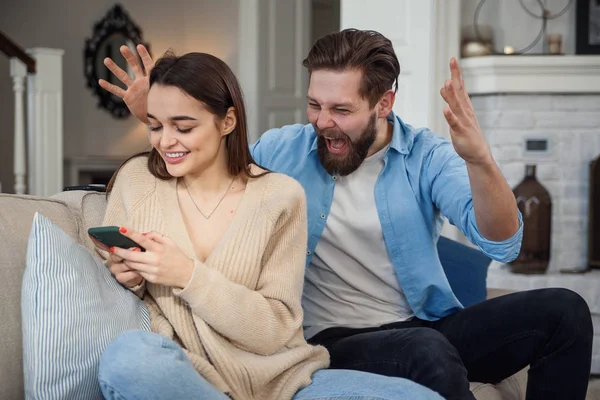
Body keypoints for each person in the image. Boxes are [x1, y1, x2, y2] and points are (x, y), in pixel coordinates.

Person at [101, 29, 594, 400]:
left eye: (340, 109)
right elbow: (208, 164)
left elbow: (502, 242)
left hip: (423, 323)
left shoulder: (426, 156)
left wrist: (480, 159)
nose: (322, 122)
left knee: (565, 312)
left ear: (384, 104)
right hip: (328, 339)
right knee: (428, 353)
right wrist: (158, 115)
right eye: (315, 104)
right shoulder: (280, 150)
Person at [96, 50, 442, 400]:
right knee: (129, 359)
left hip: (283, 382)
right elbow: (115, 298)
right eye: (154, 125)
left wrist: (187, 275)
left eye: (183, 127)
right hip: (190, 379)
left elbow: (275, 330)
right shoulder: (136, 181)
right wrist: (130, 278)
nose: (164, 141)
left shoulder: (279, 196)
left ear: (228, 122)